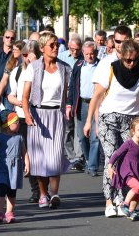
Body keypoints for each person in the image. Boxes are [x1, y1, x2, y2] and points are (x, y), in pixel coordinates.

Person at [83, 39, 139, 218]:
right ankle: (109, 201)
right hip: (108, 118)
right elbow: (96, 97)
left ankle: (120, 198)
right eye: (128, 60)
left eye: (134, 60)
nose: (131, 64)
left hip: (131, 121)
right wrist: (88, 122)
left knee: (127, 160)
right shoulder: (111, 69)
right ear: (122, 57)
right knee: (112, 157)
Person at [22, 31, 72, 209]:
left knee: (55, 156)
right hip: (38, 115)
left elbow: (67, 93)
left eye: (57, 45)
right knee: (40, 159)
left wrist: (68, 108)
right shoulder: (33, 67)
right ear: (42, 48)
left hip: (56, 115)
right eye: (51, 45)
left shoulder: (65, 68)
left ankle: (55, 193)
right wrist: (27, 116)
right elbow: (25, 96)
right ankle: (43, 194)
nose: (55, 48)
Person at [7, 40, 41, 203]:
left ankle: (44, 189)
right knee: (27, 154)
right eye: (25, 55)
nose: (27, 58)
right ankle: (36, 190)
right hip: (22, 116)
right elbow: (10, 95)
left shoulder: (43, 70)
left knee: (41, 154)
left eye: (30, 55)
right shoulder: (17, 72)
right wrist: (20, 102)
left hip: (42, 115)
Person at [0, 109, 29, 223]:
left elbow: (24, 152)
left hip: (15, 168)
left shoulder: (19, 137)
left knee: (11, 192)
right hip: (2, 167)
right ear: (8, 124)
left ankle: (9, 212)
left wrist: (27, 164)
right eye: (16, 122)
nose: (19, 124)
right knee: (1, 189)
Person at [66, 41, 100, 177]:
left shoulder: (101, 65)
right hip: (81, 105)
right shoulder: (78, 65)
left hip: (97, 104)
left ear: (96, 53)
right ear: (83, 54)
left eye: (92, 54)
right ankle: (87, 160)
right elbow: (72, 86)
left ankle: (92, 166)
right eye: (87, 54)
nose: (90, 56)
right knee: (81, 137)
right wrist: (69, 104)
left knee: (95, 137)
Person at [58, 33, 85, 170]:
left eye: (77, 49)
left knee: (78, 127)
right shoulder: (62, 58)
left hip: (78, 96)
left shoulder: (84, 58)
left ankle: (78, 158)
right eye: (72, 49)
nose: (75, 52)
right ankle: (71, 155)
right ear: (68, 47)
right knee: (67, 128)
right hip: (65, 95)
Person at [0, 40, 26, 109]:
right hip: (10, 95)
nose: (13, 51)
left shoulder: (26, 63)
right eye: (13, 49)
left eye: (16, 50)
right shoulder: (11, 61)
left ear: (22, 51)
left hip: (21, 97)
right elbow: (4, 80)